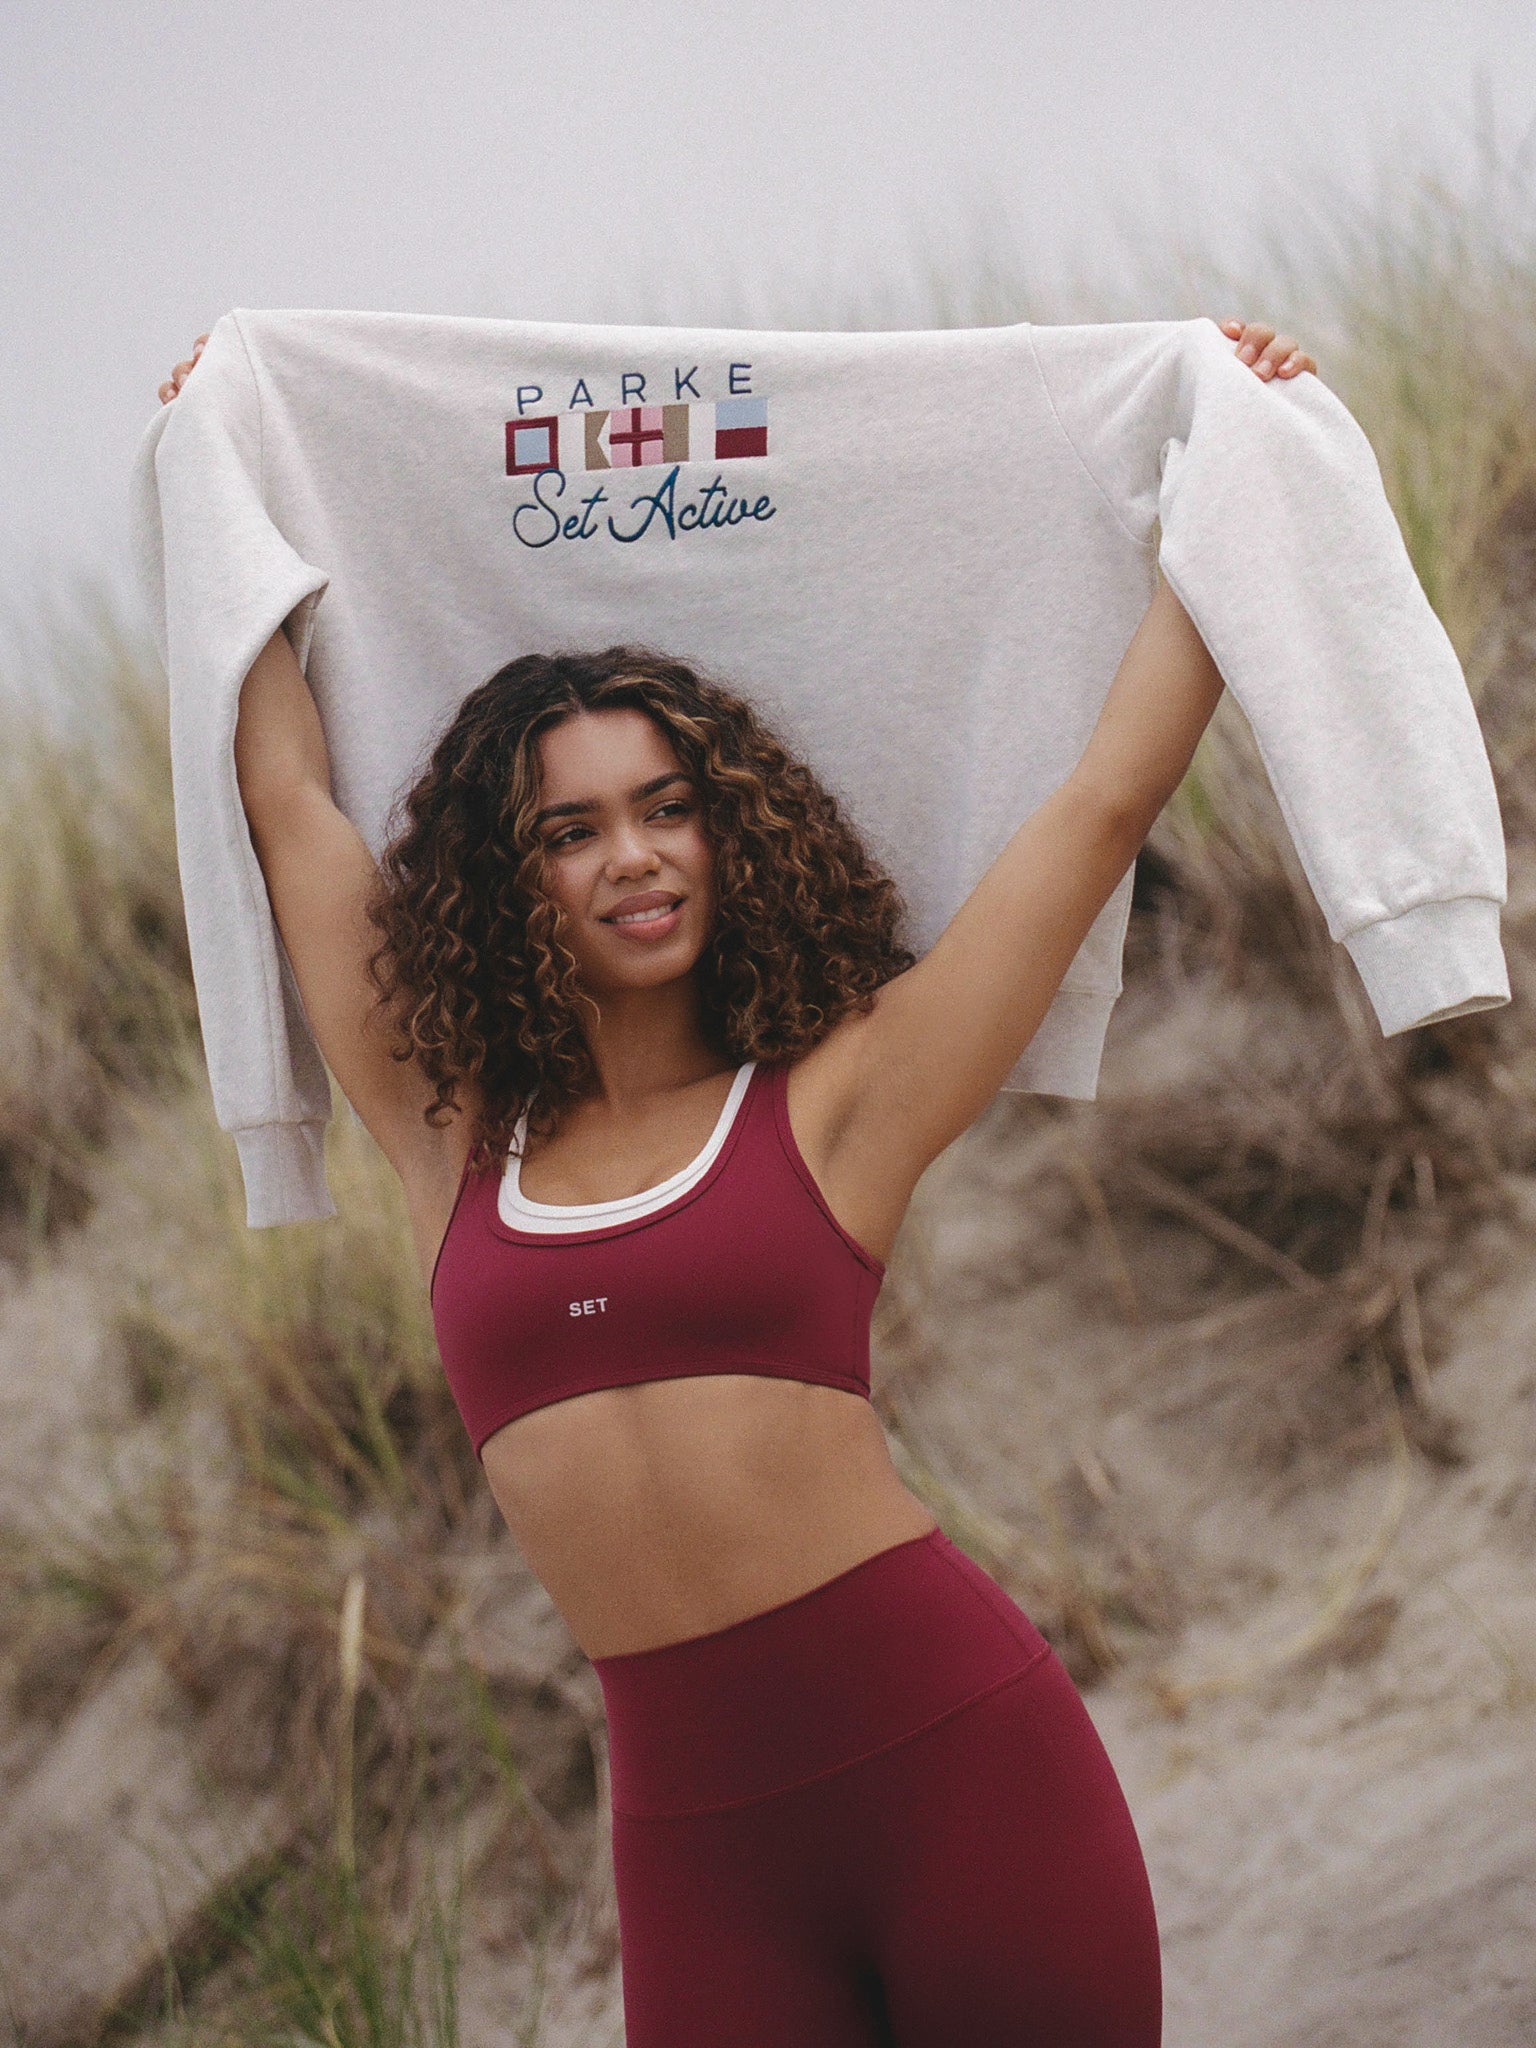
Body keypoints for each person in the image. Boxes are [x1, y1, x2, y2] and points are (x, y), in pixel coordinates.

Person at [161, 316, 1317, 2048]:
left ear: (729, 829)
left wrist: (1234, 459)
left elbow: (1098, 803)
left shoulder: (842, 1099)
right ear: (509, 880)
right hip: (700, 1857)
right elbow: (290, 807)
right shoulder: (451, 1133)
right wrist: (220, 465)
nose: (631, 855)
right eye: (570, 829)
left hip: (961, 1781)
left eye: (668, 807)